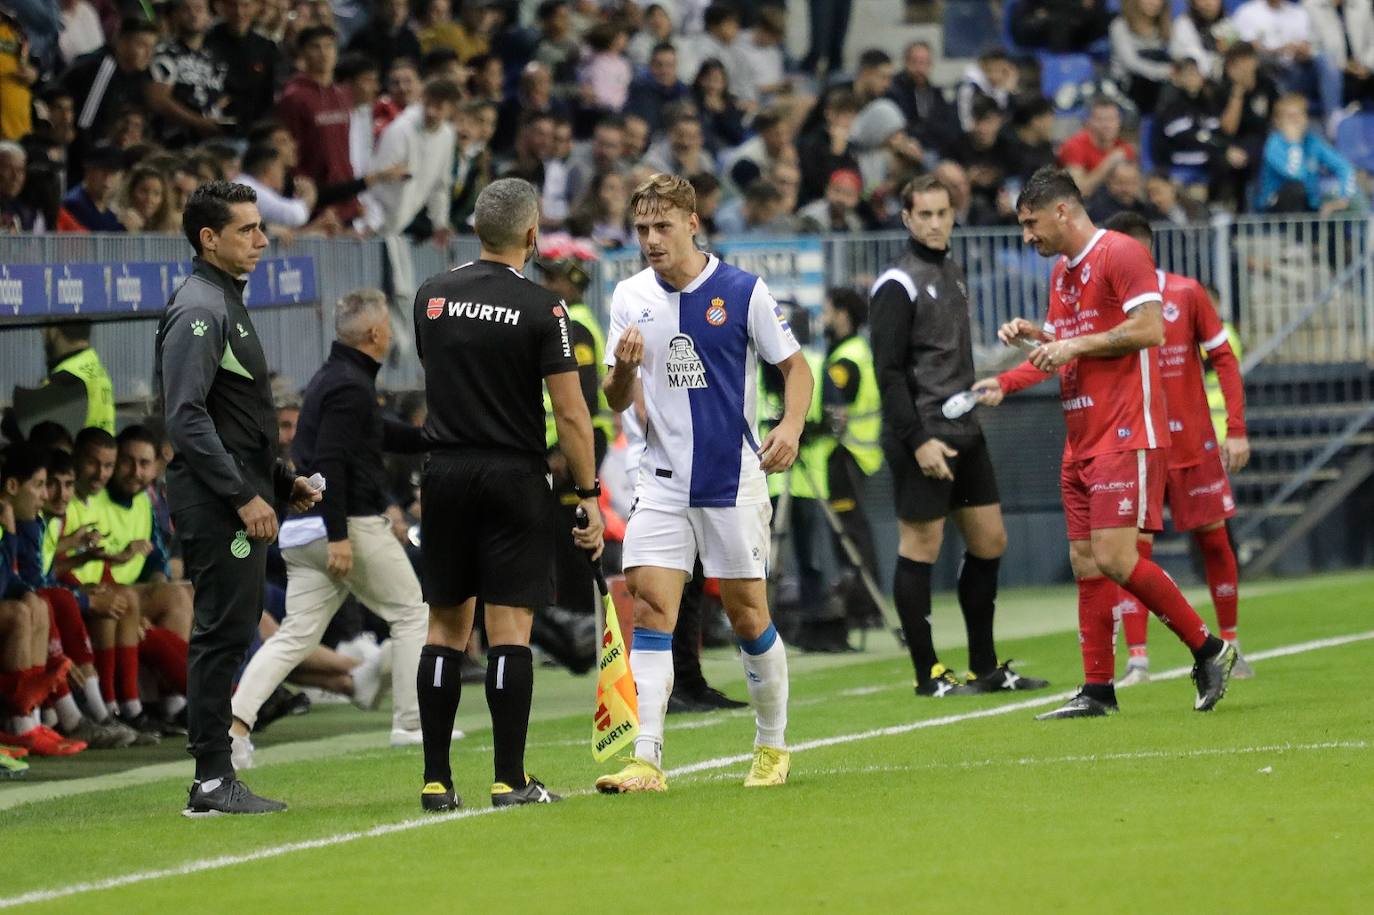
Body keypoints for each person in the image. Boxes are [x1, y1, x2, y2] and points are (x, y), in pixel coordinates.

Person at [973, 166, 1237, 719]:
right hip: (1081, 437)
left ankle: (1209, 648)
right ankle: (1098, 689)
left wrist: (1070, 347)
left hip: (1126, 431)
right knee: (1087, 562)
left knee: (1117, 557)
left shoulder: (1120, 253)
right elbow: (1067, 347)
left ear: (1063, 211)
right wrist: (1036, 340)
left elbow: (1148, 330)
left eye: (1031, 223)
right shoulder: (1062, 274)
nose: (1027, 236)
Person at [595, 172, 811, 794]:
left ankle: (772, 747)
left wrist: (791, 426)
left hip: (732, 479)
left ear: (694, 222)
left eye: (663, 227)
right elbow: (614, 397)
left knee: (748, 615)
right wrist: (623, 371)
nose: (651, 240)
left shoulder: (743, 292)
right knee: (653, 609)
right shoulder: (628, 296)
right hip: (660, 481)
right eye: (641, 229)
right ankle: (647, 759)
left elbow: (795, 370)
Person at [410, 177, 603, 812]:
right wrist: (588, 494)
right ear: (531, 233)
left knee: (443, 626)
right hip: (513, 475)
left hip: (443, 473)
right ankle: (508, 779)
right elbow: (572, 416)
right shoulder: (545, 309)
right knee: (508, 631)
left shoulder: (431, 296)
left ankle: (437, 781)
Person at [156, 180, 321, 816]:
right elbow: (187, 418)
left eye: (260, 226)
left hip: (238, 493)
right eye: (247, 229)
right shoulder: (201, 308)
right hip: (214, 499)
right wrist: (243, 496)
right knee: (221, 634)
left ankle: (213, 776)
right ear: (208, 238)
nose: (261, 238)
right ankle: (208, 780)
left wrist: (280, 483)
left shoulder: (225, 299)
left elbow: (238, 419)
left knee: (229, 629)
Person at [230, 289, 431, 766]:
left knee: (294, 637)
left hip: (303, 530)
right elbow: (332, 462)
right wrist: (338, 533)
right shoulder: (349, 386)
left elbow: (374, 432)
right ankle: (409, 724)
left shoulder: (333, 378)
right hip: (345, 524)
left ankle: (235, 727)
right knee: (410, 613)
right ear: (377, 334)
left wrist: (433, 437)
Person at [869, 175, 1049, 699]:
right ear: (906, 218)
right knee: (921, 545)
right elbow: (889, 374)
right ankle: (928, 675)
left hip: (965, 427)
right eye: (922, 214)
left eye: (941, 213)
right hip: (923, 434)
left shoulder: (951, 271)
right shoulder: (896, 284)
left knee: (990, 540)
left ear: (953, 215)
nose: (933, 222)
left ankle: (985, 667)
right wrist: (918, 439)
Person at [1103, 212, 1253, 684]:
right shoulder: (1106, 305)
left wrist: (1237, 428)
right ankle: (1138, 660)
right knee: (1133, 551)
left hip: (1191, 441)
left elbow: (1223, 357)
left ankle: (1231, 641)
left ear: (1144, 252)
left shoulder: (1187, 294)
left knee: (1213, 538)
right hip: (1137, 442)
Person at [820, 288, 884, 631]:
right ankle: (866, 605)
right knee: (854, 531)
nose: (824, 318)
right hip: (858, 453)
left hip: (847, 454)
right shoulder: (856, 351)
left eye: (828, 310)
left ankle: (865, 606)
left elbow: (836, 408)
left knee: (851, 534)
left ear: (843, 314)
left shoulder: (846, 359)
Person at [361, 76, 460, 241]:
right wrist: (371, 222)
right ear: (422, 99)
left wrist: (440, 224)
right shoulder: (400, 130)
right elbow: (376, 181)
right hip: (370, 224)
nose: (431, 112)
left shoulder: (448, 135)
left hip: (398, 225)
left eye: (439, 107)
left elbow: (440, 185)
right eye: (428, 104)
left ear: (452, 109)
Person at [1257, 92, 1359, 212]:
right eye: (1290, 116)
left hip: (1309, 205)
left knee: (1355, 195)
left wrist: (1344, 197)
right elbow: (1295, 174)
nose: (1296, 121)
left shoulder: (1312, 142)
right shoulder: (1274, 144)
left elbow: (1344, 167)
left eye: (1300, 115)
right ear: (1277, 122)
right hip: (1274, 208)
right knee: (1296, 188)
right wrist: (1294, 143)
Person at [1058, 96, 1138, 198]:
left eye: (1111, 119)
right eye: (1100, 120)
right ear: (1089, 121)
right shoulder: (1074, 145)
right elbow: (1079, 191)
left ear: (1119, 121)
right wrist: (1110, 162)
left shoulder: (1124, 148)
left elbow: (1134, 191)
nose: (1107, 125)